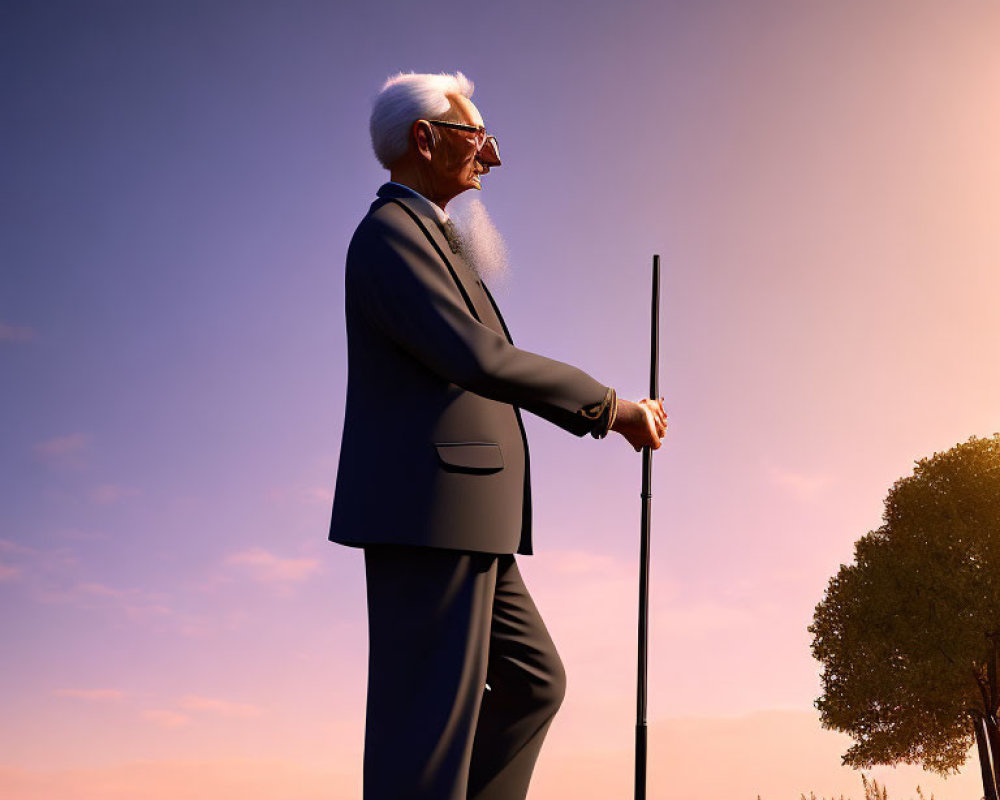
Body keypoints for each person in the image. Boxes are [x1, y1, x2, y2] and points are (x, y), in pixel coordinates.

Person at [329, 71, 668, 800]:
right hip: (429, 516)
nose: (491, 156)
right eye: (476, 136)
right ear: (424, 139)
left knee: (533, 682)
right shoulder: (390, 236)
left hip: (469, 516)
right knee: (424, 731)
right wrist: (612, 409)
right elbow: (477, 358)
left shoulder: (433, 240)